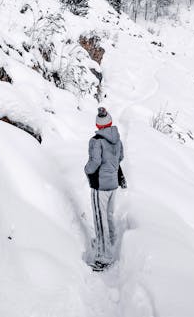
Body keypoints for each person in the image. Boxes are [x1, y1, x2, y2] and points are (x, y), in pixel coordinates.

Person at [84, 107, 125, 269]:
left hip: (100, 185)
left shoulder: (96, 141)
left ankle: (104, 257)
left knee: (100, 220)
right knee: (108, 215)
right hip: (113, 184)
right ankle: (110, 241)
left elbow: (94, 163)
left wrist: (86, 170)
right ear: (110, 122)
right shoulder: (118, 140)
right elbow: (120, 157)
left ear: (98, 125)